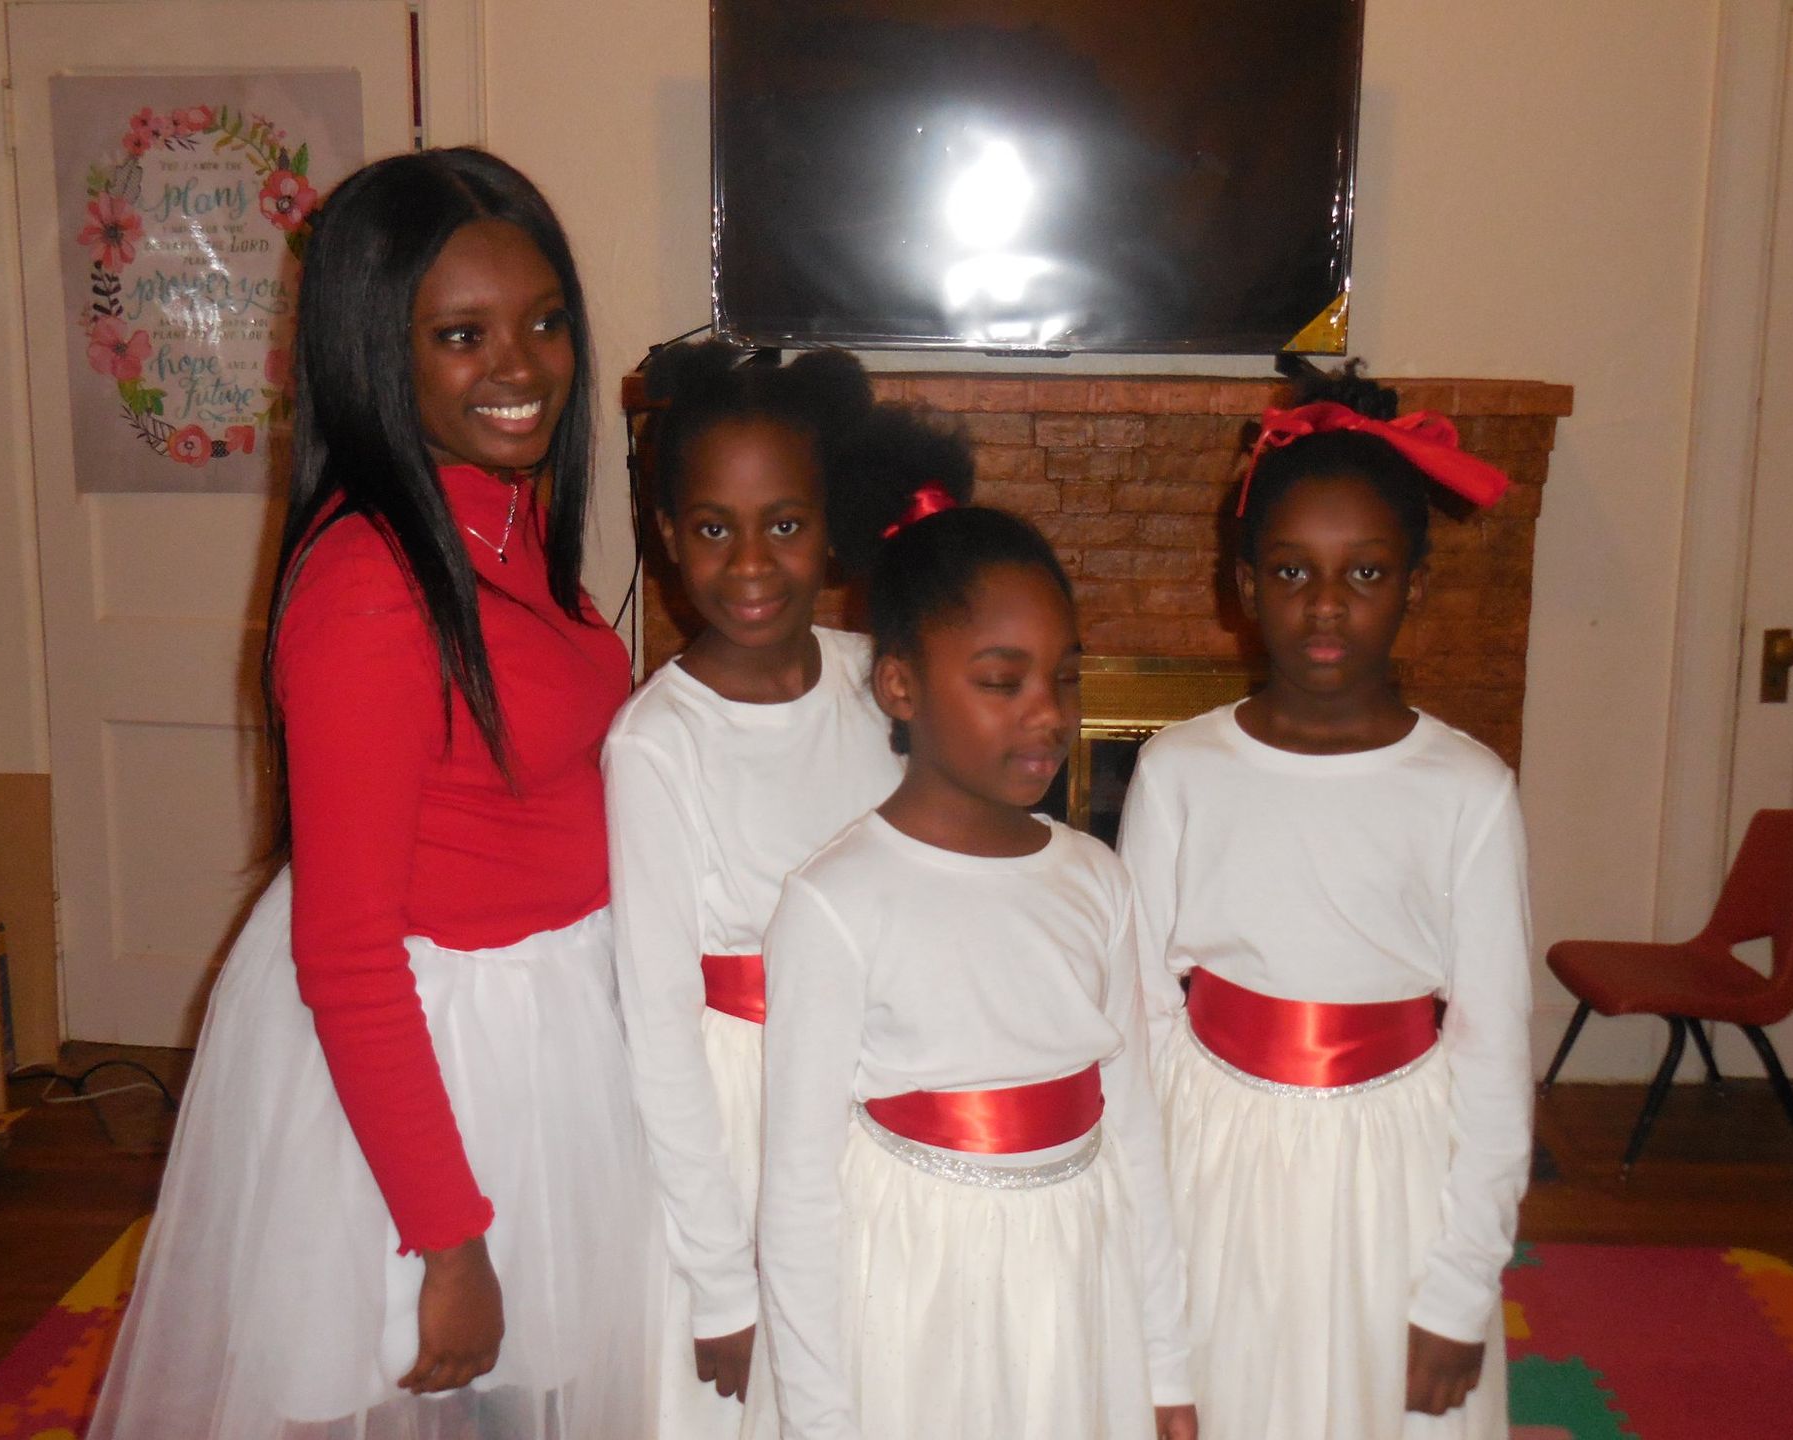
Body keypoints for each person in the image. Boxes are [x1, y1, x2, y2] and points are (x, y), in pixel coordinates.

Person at [87, 148, 660, 1440]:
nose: (523, 369)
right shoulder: (369, 587)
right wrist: (448, 1245)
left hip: (539, 1030)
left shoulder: (500, 519)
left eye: (546, 321)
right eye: (463, 335)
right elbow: (345, 952)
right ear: (374, 352)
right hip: (434, 1071)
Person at [1117, 358, 1531, 1440]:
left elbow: (1492, 1047)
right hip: (1219, 1159)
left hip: (1392, 1174)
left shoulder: (1469, 792)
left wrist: (1461, 1285)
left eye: (1366, 573)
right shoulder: (1180, 770)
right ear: (1244, 587)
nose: (1327, 608)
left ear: (1416, 586)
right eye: (1293, 575)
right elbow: (1141, 1013)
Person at [749, 504, 1199, 1440]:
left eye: (1065, 677)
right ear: (903, 687)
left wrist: (1165, 1365)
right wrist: (821, 1421)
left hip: (1077, 1278)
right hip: (914, 1295)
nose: (1050, 712)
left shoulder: (1098, 881)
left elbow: (1140, 1136)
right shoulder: (835, 902)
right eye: (1003, 681)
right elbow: (795, 1191)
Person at [606, 341, 970, 1437]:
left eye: (786, 524)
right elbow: (659, 1024)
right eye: (713, 527)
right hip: (742, 1116)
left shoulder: (881, 680)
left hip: (879, 1095)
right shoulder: (656, 744)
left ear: (834, 525)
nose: (751, 563)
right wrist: (723, 1279)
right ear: (668, 539)